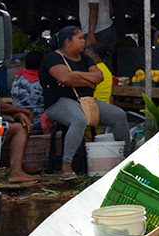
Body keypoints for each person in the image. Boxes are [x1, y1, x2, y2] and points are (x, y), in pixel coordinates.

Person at [40, 26, 130, 180]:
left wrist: (75, 74)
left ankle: (126, 160)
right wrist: (88, 82)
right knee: (78, 119)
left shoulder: (86, 58)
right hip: (60, 102)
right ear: (68, 42)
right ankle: (66, 165)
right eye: (80, 38)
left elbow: (99, 77)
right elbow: (64, 79)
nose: (84, 41)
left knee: (118, 115)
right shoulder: (53, 58)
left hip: (87, 102)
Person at [72, 0, 116, 66]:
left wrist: (91, 34)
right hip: (106, 29)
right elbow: (110, 9)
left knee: (96, 66)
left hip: (97, 32)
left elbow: (93, 9)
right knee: (105, 65)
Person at [10, 50, 46, 116]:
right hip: (38, 119)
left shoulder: (17, 78)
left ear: (25, 64)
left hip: (18, 116)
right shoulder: (43, 81)